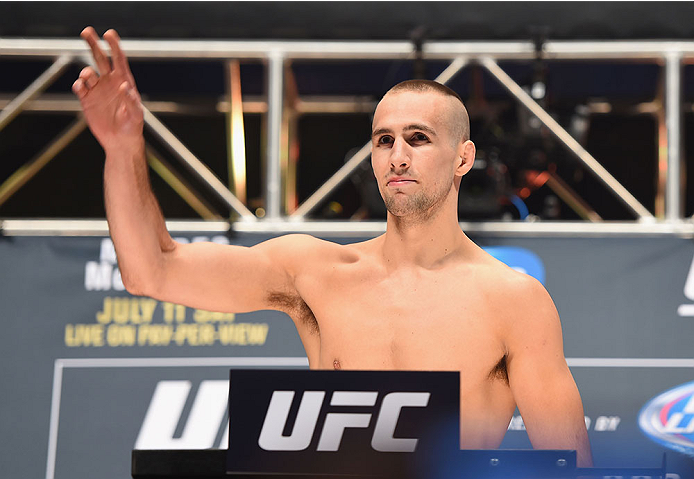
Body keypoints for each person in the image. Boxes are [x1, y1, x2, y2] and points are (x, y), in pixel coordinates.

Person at [73, 27, 593, 467]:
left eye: (418, 138)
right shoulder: (314, 272)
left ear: (462, 158)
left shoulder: (513, 302)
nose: (398, 157)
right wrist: (123, 148)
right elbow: (152, 272)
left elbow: (569, 465)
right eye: (384, 140)